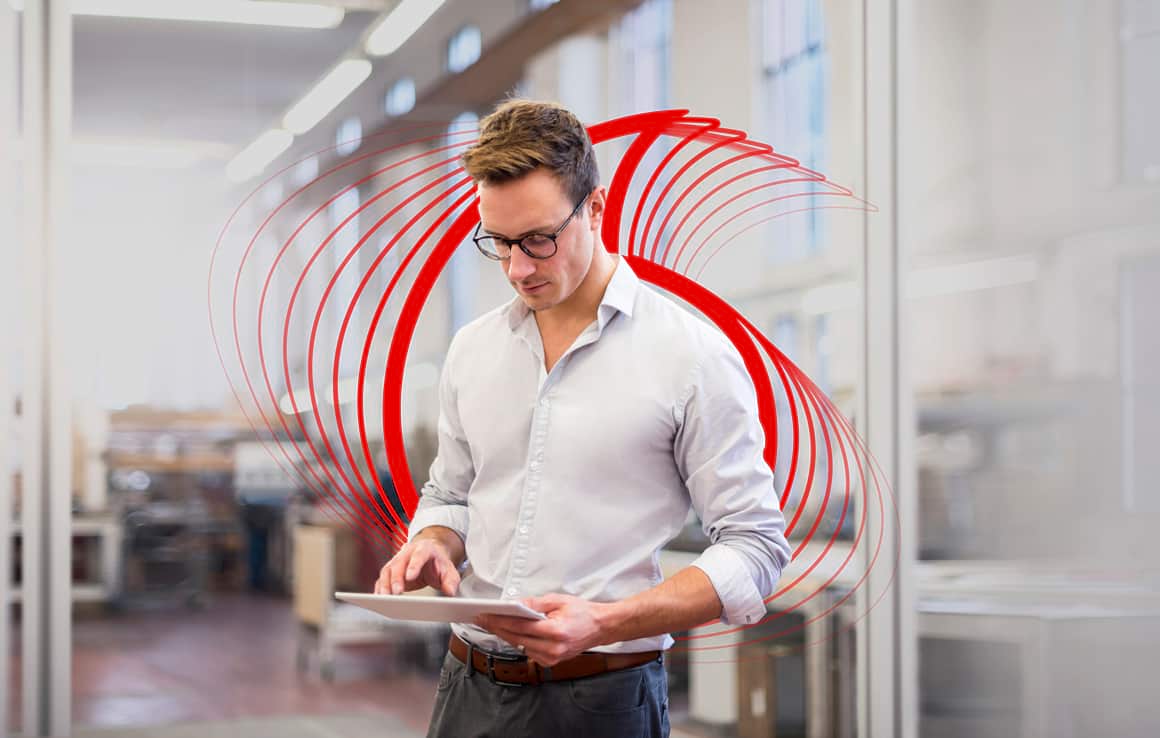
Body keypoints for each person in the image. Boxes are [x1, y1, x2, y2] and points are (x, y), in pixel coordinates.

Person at [375, 99, 791, 738]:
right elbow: (450, 494)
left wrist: (605, 622)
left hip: (601, 699)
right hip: (466, 688)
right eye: (499, 243)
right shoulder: (474, 348)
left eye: (539, 239)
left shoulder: (688, 354)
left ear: (595, 208)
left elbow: (756, 546)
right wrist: (432, 542)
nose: (518, 268)